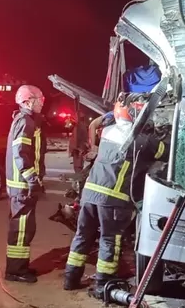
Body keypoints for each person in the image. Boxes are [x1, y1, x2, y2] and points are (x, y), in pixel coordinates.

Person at [63, 93, 169, 294]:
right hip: (112, 199)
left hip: (89, 195)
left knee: (82, 236)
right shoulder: (141, 141)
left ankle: (70, 279)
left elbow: (98, 123)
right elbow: (165, 151)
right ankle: (104, 283)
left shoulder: (108, 132)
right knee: (110, 240)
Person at [4, 84, 47, 283]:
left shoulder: (28, 121)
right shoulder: (25, 122)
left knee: (25, 228)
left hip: (22, 185)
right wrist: (31, 179)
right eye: (39, 100)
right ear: (27, 101)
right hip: (22, 186)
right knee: (21, 229)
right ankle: (15, 271)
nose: (42, 103)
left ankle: (20, 267)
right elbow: (20, 153)